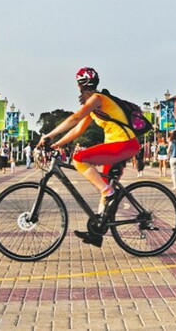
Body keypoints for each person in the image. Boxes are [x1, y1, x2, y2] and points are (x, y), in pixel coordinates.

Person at [38, 67, 140, 245]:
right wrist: (56, 144)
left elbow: (74, 119)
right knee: (105, 185)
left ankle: (109, 193)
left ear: (79, 86)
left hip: (123, 144)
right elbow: (78, 130)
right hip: (119, 146)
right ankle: (98, 231)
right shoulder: (95, 104)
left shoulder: (97, 99)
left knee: (79, 158)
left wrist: (49, 135)